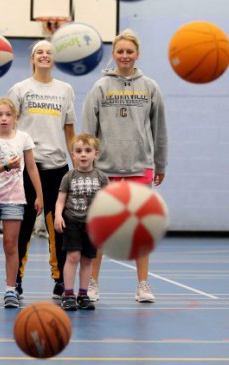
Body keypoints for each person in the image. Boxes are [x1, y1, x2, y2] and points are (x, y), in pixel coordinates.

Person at [81, 28, 168, 303]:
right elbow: (87, 131)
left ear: (137, 54)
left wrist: (160, 162)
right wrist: (87, 163)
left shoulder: (150, 87)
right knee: (100, 228)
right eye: (120, 51)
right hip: (105, 170)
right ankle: (91, 283)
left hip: (140, 168)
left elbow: (159, 129)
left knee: (140, 228)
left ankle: (143, 285)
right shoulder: (100, 87)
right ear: (114, 54)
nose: (125, 55)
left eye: (130, 51)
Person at [7, 40, 76, 300]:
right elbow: (8, 127)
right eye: (40, 52)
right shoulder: (20, 89)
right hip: (26, 169)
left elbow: (69, 131)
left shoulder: (65, 89)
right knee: (23, 227)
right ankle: (16, 279)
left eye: (49, 52)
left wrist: (78, 165)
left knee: (58, 228)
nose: (45, 55)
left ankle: (60, 281)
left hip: (58, 168)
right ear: (32, 59)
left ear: (54, 59)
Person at [0, 98, 43, 308]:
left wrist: (39, 195)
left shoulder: (23, 138)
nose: (4, 118)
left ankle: (10, 290)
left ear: (15, 118)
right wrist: (5, 165)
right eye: (0, 115)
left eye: (8, 115)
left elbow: (32, 168)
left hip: (14, 200)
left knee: (11, 246)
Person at [54, 134, 109, 311]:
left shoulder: (101, 177)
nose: (83, 154)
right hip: (72, 221)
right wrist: (58, 216)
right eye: (79, 151)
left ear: (96, 154)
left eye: (87, 151)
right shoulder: (69, 177)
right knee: (73, 257)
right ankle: (68, 294)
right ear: (73, 155)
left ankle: (83, 294)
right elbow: (60, 200)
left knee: (87, 260)